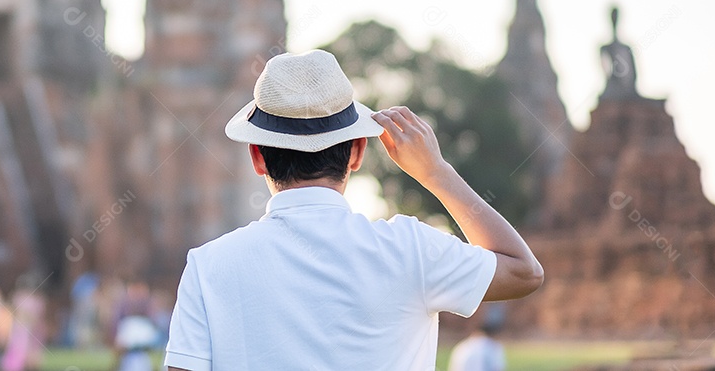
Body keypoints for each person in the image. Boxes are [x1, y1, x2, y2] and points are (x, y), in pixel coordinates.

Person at [163, 50, 544, 370]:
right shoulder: (410, 249)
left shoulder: (208, 266)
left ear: (257, 156)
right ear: (358, 151)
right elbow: (523, 271)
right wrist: (436, 173)